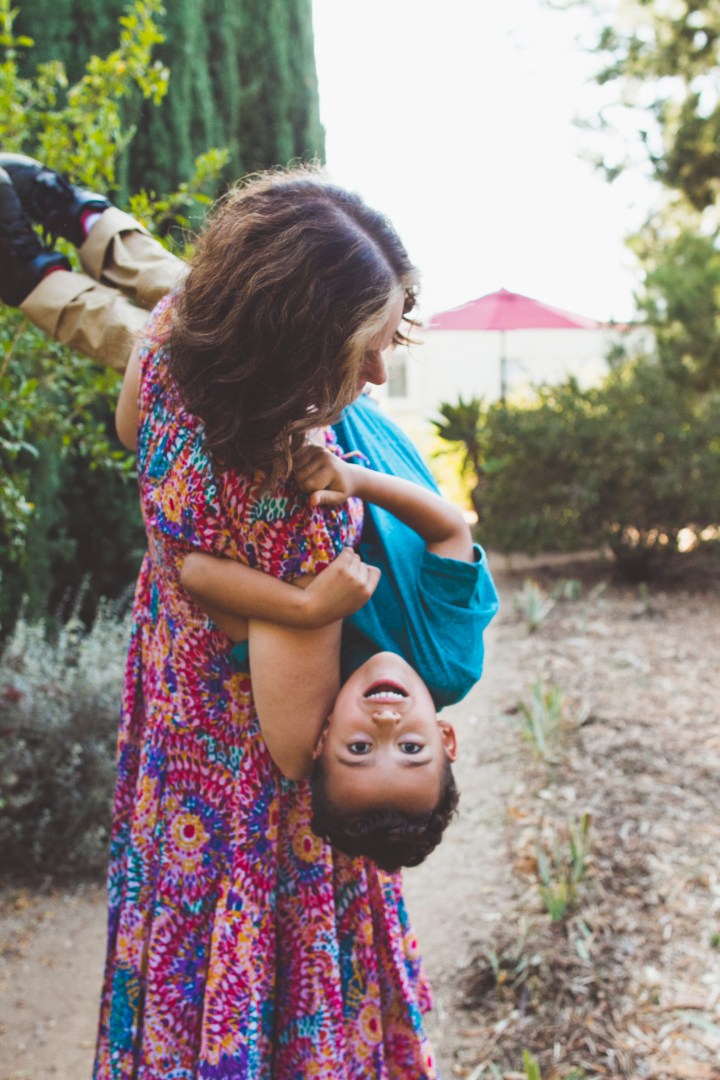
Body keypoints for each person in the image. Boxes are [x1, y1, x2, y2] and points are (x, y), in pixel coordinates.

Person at [0, 154, 498, 1078]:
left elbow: (160, 470)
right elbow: (437, 537)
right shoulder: (306, 502)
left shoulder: (264, 457)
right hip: (203, 685)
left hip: (203, 658)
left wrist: (306, 597)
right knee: (208, 315)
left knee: (199, 315)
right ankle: (68, 240)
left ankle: (63, 244)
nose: (379, 373)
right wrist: (325, 552)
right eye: (368, 346)